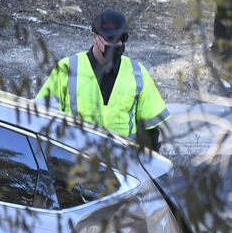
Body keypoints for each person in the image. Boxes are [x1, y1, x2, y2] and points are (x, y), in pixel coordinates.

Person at [36, 10, 169, 151]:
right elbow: (41, 118)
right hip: (74, 161)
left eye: (122, 37)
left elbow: (150, 132)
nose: (118, 44)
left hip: (123, 165)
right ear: (94, 37)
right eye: (110, 38)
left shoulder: (137, 72)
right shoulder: (67, 68)